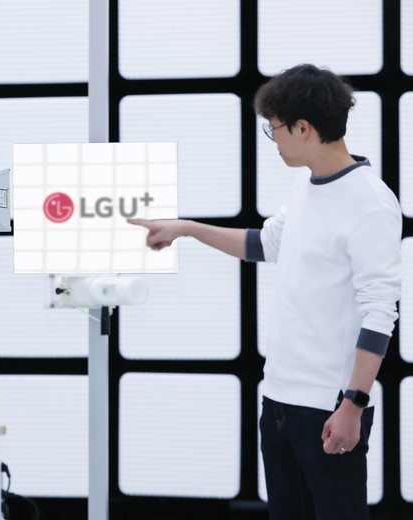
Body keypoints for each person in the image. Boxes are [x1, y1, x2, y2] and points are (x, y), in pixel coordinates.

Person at [129, 64, 402, 519]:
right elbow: (265, 244)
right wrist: (186, 228)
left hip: (327, 409)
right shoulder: (306, 185)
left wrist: (353, 405)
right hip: (278, 403)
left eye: (274, 128)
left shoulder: (370, 203)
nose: (273, 139)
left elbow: (380, 313)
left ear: (303, 128)